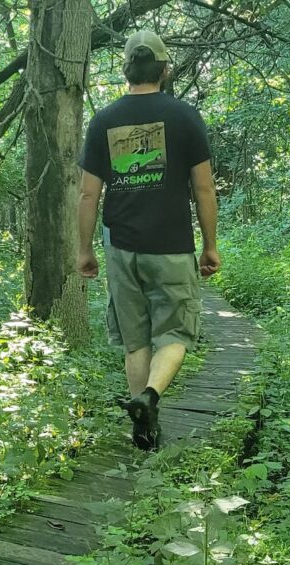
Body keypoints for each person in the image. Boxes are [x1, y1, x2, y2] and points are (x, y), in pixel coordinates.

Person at [77, 29, 220, 450]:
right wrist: (210, 245)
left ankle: (144, 429)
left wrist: (84, 249)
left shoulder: (103, 121)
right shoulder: (185, 117)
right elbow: (204, 189)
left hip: (122, 247)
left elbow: (88, 193)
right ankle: (150, 397)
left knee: (135, 339)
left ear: (126, 71)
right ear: (165, 69)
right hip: (172, 246)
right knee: (175, 333)